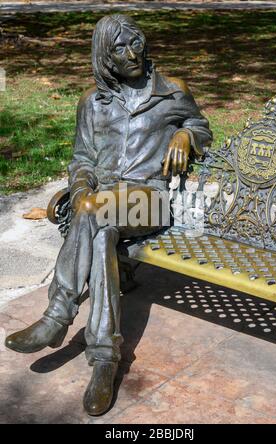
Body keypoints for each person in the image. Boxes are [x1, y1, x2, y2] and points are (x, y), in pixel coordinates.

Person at [5, 14, 212, 416]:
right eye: (119, 48)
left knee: (93, 213)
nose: (132, 53)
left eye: (136, 42)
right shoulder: (93, 102)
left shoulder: (172, 92)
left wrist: (186, 134)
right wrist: (82, 187)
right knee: (101, 232)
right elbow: (81, 159)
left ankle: (57, 316)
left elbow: (200, 126)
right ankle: (104, 359)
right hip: (100, 204)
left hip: (150, 200)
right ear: (105, 57)